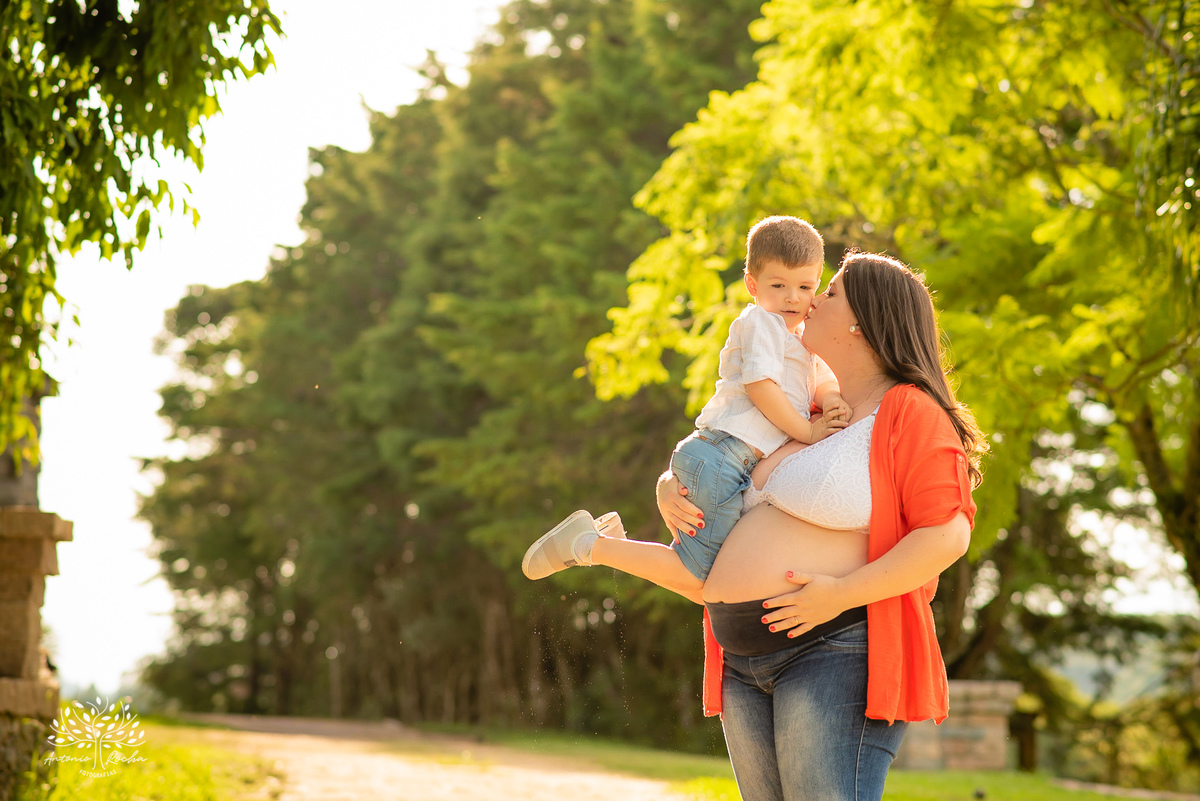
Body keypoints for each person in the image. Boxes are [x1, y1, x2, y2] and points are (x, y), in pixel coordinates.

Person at [655, 250, 986, 801]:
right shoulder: (804, 415)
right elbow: (722, 465)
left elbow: (947, 534)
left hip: (833, 649)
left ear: (862, 321)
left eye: (829, 292)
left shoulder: (910, 412)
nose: (809, 300)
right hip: (743, 660)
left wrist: (840, 595)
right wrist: (671, 482)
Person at [522, 216, 850, 597]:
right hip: (723, 458)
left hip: (728, 461)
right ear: (752, 285)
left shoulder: (800, 337)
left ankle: (612, 542)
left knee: (714, 575)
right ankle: (589, 545)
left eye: (804, 287)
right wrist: (808, 431)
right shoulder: (761, 323)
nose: (793, 298)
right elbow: (761, 388)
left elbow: (819, 377)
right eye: (779, 286)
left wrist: (832, 400)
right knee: (698, 577)